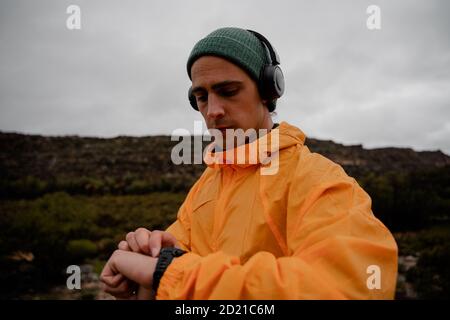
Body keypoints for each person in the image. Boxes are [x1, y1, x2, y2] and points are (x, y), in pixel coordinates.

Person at [100, 27, 398, 300]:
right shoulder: (202, 190)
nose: (213, 111)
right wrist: (147, 265)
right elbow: (176, 264)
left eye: (228, 92)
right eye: (201, 97)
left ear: (269, 92)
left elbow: (352, 288)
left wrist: (171, 274)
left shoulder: (319, 181)